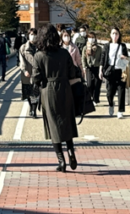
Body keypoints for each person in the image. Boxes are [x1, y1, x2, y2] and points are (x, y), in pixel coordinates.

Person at [33, 24, 82, 172]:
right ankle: (71, 151)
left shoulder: (39, 55)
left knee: (53, 125)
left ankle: (61, 161)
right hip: (65, 89)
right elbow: (73, 72)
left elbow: (36, 78)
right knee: (67, 121)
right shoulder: (64, 53)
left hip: (49, 90)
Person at [102, 27, 129, 119]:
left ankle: (120, 111)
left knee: (121, 91)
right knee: (110, 93)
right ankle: (111, 104)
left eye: (116, 33)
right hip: (110, 71)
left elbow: (127, 59)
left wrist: (124, 57)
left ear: (119, 35)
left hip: (121, 71)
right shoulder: (106, 46)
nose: (114, 35)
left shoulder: (123, 46)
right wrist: (100, 71)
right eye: (113, 33)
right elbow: (103, 59)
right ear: (110, 35)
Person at [19, 29, 41, 118]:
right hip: (27, 73)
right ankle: (31, 108)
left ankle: (33, 110)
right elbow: (21, 60)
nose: (33, 36)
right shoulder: (23, 47)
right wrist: (24, 70)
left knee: (36, 93)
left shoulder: (40, 46)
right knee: (28, 93)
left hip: (37, 73)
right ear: (28, 35)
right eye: (31, 34)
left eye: (35, 34)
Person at [82, 33, 105, 104]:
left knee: (97, 84)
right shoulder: (85, 48)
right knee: (89, 84)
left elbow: (102, 58)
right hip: (89, 67)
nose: (91, 39)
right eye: (90, 37)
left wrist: (101, 67)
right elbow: (83, 58)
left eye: (93, 37)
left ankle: (96, 99)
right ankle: (91, 96)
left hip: (97, 67)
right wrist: (84, 66)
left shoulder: (99, 48)